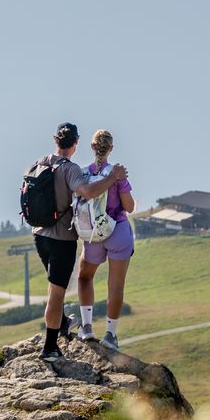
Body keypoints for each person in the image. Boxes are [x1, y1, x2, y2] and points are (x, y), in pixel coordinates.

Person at [27, 122, 126, 363]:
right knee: (57, 292)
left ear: (55, 140)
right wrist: (112, 177)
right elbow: (88, 192)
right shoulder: (70, 169)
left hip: (39, 234)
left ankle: (61, 322)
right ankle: (50, 347)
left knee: (54, 285)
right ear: (76, 143)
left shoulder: (40, 162)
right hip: (62, 239)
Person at [76, 129, 135, 350]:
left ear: (92, 147)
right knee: (116, 286)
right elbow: (128, 207)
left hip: (92, 235)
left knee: (84, 277)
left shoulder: (83, 174)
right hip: (117, 229)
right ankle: (110, 335)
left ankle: (87, 327)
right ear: (111, 148)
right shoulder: (117, 174)